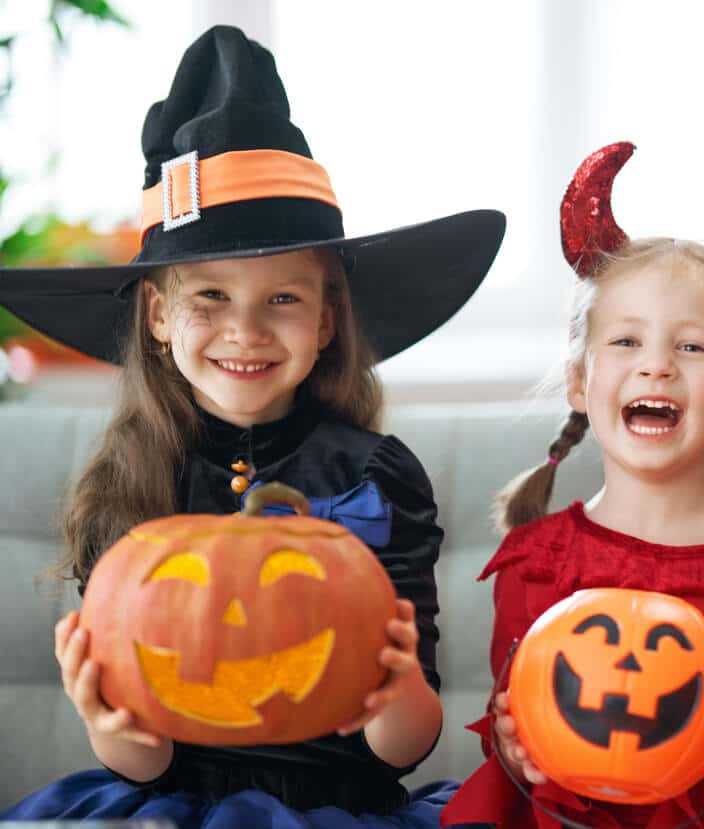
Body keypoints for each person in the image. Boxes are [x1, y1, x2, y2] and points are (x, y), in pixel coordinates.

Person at [0, 24, 505, 828]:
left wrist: (398, 687)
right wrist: (107, 721)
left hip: (344, 808)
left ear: (328, 321)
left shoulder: (377, 477)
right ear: (160, 316)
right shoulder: (124, 483)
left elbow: (403, 746)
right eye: (210, 297)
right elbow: (145, 758)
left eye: (282, 298)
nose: (246, 329)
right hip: (169, 806)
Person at [440, 141, 704, 829]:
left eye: (691, 346)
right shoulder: (537, 563)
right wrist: (510, 742)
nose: (656, 367)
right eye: (626, 342)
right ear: (582, 382)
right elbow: (523, 756)